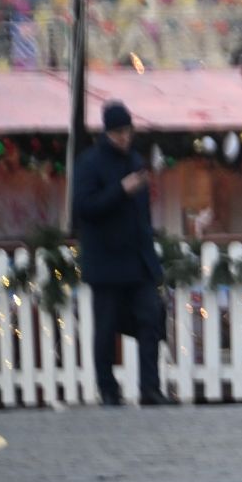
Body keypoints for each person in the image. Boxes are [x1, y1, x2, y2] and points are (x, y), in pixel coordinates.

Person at [71, 101, 172, 408]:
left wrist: (151, 261)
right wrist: (120, 190)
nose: (124, 137)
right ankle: (109, 390)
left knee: (150, 319)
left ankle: (150, 388)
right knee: (105, 328)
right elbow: (85, 208)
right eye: (118, 132)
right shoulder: (89, 163)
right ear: (107, 132)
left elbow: (141, 216)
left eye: (127, 131)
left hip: (137, 259)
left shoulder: (135, 160)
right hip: (106, 261)